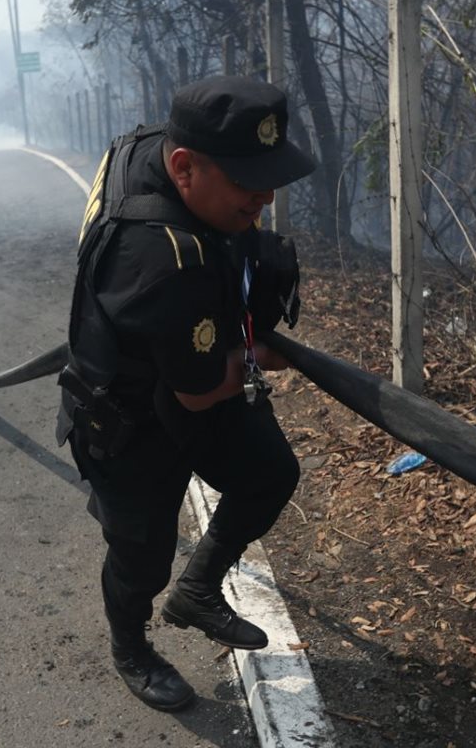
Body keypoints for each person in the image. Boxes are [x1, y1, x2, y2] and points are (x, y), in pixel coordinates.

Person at [57, 75, 316, 712]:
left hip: (179, 361)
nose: (265, 196)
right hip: (124, 416)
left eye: (268, 174)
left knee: (270, 473)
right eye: (246, 181)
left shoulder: (143, 145)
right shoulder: (166, 263)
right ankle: (131, 648)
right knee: (141, 556)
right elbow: (202, 393)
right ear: (184, 167)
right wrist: (259, 354)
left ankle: (197, 591)